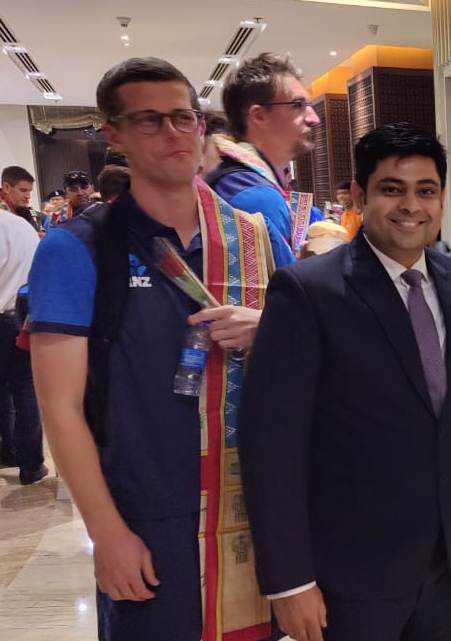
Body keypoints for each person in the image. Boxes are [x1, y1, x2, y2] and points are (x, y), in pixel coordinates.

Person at [28, 57, 276, 641]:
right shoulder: (77, 248)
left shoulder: (249, 237)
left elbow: (309, 348)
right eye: (149, 120)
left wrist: (269, 326)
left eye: (183, 117)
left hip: (252, 510)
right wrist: (106, 532)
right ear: (113, 134)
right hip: (145, 512)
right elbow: (60, 409)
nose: (172, 133)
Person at [239, 122, 451, 641]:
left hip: (444, 561)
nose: (411, 206)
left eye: (426, 191)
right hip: (350, 568)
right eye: (392, 189)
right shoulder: (308, 291)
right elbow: (271, 444)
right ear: (361, 196)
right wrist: (290, 579)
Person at [210, 52, 321, 266]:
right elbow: (280, 287)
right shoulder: (257, 198)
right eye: (298, 105)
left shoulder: (233, 178)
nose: (313, 118)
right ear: (258, 115)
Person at [0, 206, 46, 484]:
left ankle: (9, 451)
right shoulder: (22, 226)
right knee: (25, 390)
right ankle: (30, 465)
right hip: (23, 315)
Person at [1, 166, 44, 233]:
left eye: (29, 191)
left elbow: (40, 231)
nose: (28, 196)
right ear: (6, 187)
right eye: (23, 190)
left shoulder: (29, 212)